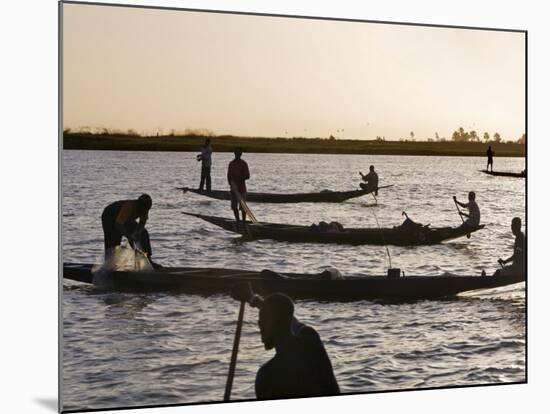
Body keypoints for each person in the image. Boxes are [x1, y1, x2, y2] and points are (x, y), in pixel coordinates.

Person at [231, 284, 340, 399]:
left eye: (261, 323)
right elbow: (284, 318)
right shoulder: (310, 339)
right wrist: (252, 298)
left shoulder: (267, 376)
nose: (260, 329)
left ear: (268, 324)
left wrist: (253, 298)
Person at [101, 194, 161, 268]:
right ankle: (109, 265)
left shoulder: (145, 208)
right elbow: (118, 225)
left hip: (126, 219)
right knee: (114, 241)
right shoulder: (129, 207)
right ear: (138, 205)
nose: (144, 211)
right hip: (109, 216)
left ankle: (148, 260)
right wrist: (129, 237)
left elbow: (141, 224)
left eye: (147, 209)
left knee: (143, 233)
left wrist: (137, 233)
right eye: (142, 209)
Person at [227, 148, 250, 225]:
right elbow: (228, 176)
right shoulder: (231, 164)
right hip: (234, 189)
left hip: (242, 188)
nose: (237, 155)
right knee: (234, 207)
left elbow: (247, 176)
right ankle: (238, 221)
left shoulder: (243, 163)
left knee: (243, 207)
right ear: (234, 154)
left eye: (238, 153)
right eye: (236, 153)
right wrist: (231, 183)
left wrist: (239, 178)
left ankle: (243, 221)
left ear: (241, 154)